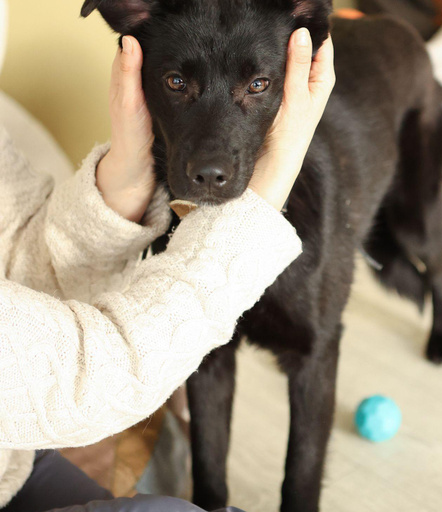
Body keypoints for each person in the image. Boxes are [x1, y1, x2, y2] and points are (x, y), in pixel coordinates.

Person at [0, 25, 335, 512]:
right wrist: (269, 185)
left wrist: (126, 174)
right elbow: (88, 380)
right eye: (178, 83)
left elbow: (19, 263)